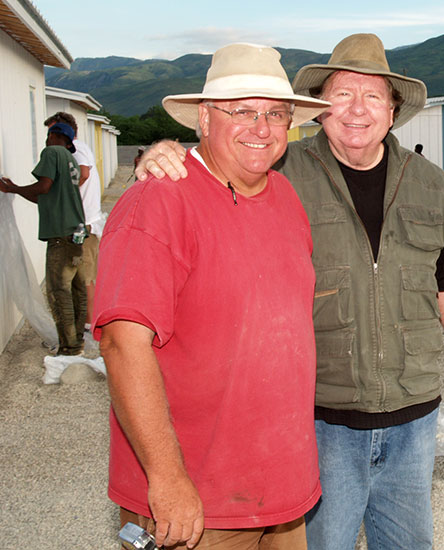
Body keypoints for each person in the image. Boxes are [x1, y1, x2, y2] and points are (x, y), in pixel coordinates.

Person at [136, 33, 444, 550]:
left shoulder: (430, 184)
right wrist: (161, 155)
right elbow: (214, 168)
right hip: (319, 418)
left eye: (373, 95)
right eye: (341, 94)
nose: (357, 109)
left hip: (413, 413)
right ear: (319, 111)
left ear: (392, 111)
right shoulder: (279, 171)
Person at [93, 43, 330, 550]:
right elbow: (120, 343)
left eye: (275, 113)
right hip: (197, 503)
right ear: (203, 118)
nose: (261, 128)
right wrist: (168, 480)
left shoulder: (286, 197)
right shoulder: (159, 201)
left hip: (280, 494)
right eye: (242, 111)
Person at [0, 123, 86, 356]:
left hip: (60, 235)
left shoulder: (51, 152)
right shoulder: (71, 161)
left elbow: (44, 187)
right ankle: (77, 340)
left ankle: (68, 347)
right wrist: (16, 190)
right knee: (77, 289)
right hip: (76, 234)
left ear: (53, 136)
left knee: (59, 291)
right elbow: (46, 198)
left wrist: (12, 189)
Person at [43, 112, 104, 331]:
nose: (49, 138)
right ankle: (89, 324)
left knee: (82, 279)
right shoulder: (81, 148)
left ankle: (88, 327)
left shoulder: (75, 149)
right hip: (88, 221)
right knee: (85, 278)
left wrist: (61, 192)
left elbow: (84, 173)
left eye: (53, 132)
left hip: (82, 223)